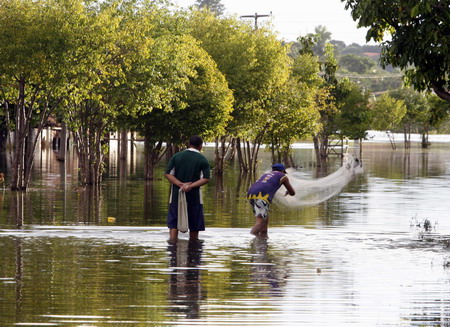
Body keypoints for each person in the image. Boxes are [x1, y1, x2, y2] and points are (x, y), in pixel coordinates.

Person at [164, 135, 210, 242]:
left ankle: (172, 243)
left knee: (174, 221)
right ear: (200, 146)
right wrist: (190, 186)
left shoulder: (177, 156)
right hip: (194, 197)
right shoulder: (202, 159)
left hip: (176, 195)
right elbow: (206, 179)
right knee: (194, 223)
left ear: (189, 144)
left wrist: (180, 184)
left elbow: (168, 174)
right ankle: (193, 246)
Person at [247, 163, 295, 237]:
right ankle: (250, 238)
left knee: (265, 220)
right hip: (262, 196)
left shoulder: (266, 175)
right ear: (282, 171)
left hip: (250, 194)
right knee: (261, 222)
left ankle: (263, 239)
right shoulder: (283, 177)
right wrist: (288, 191)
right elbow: (292, 193)